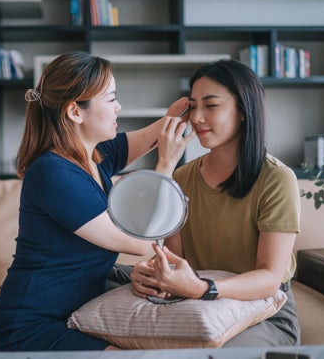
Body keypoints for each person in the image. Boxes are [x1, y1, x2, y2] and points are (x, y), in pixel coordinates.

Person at [0, 50, 195, 351]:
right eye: (111, 99)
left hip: (75, 314)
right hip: (28, 329)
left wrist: (181, 115)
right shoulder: (52, 173)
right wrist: (166, 164)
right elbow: (141, 243)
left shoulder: (96, 156)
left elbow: (154, 133)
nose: (118, 107)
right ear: (75, 112)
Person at [129, 58, 301, 347]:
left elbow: (270, 278)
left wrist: (202, 288)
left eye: (211, 105)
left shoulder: (277, 179)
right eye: (193, 106)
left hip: (264, 312)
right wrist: (155, 277)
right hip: (201, 304)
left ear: (243, 110)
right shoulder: (181, 178)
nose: (197, 118)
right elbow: (174, 260)